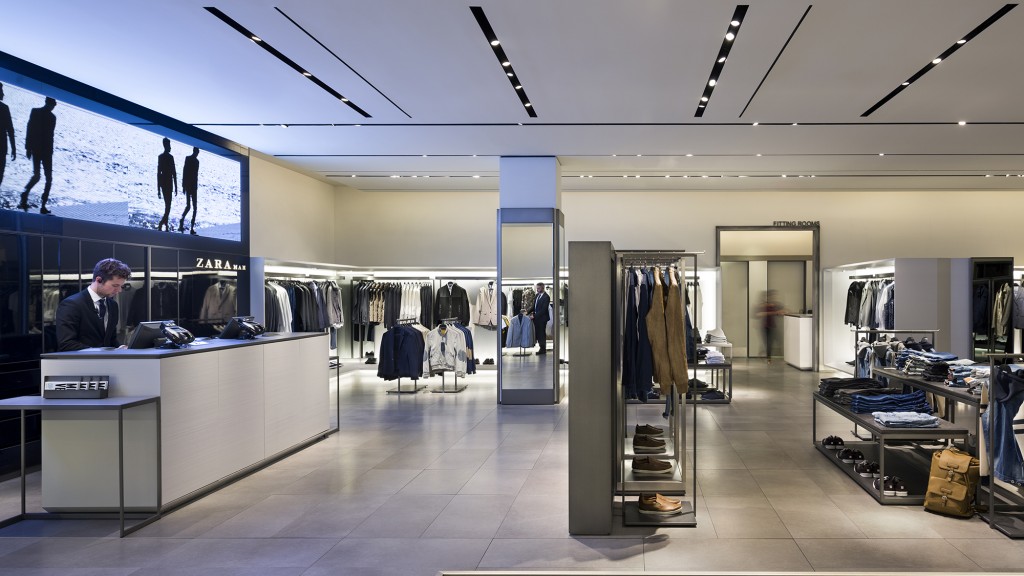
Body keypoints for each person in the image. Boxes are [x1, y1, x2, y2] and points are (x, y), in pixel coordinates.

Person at [55, 258, 131, 351]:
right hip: (80, 360)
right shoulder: (71, 304)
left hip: (106, 360)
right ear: (99, 280)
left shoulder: (113, 305)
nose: (119, 290)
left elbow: (111, 340)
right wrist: (102, 352)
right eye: (115, 286)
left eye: (121, 286)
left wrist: (120, 348)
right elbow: (66, 344)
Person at [19, 96, 56, 214]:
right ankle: (41, 204)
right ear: (50, 104)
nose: (53, 107)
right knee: (46, 178)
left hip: (39, 150)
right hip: (43, 150)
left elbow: (30, 129)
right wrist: (28, 147)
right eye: (53, 104)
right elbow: (31, 129)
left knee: (39, 176)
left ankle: (26, 195)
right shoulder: (49, 116)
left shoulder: (37, 112)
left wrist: (28, 147)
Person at [756, 290, 786, 363]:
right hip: (765, 327)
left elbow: (782, 311)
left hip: (773, 326)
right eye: (772, 296)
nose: (774, 297)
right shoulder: (763, 305)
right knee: (768, 343)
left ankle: (766, 355)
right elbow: (759, 314)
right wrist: (774, 312)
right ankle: (768, 358)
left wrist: (781, 312)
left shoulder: (776, 305)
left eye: (774, 296)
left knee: (776, 341)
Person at [156, 137, 177, 231]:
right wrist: (158, 189)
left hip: (165, 183)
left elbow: (159, 173)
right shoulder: (168, 157)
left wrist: (159, 189)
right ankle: (162, 223)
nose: (170, 147)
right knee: (168, 206)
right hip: (167, 183)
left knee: (167, 205)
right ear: (166, 145)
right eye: (169, 145)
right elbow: (173, 173)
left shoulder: (161, 157)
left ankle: (165, 223)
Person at [179, 146, 199, 234]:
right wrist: (183, 186)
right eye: (197, 152)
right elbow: (185, 172)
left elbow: (195, 174)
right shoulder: (189, 159)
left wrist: (185, 186)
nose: (197, 154)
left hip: (192, 186)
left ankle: (191, 227)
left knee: (193, 207)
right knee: (190, 207)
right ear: (194, 151)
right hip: (189, 186)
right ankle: (182, 223)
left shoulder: (196, 161)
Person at [0, 83, 15, 195]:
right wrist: (14, 148)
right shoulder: (4, 108)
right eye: (1, 91)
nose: (3, 94)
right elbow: (10, 130)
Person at [531, 282, 551, 355]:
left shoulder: (546, 297)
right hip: (536, 318)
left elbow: (543, 310)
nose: (537, 289)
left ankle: (543, 349)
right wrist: (527, 312)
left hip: (542, 319)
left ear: (543, 288)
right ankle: (541, 347)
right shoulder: (537, 295)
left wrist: (534, 316)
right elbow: (534, 307)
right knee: (538, 333)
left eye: (538, 288)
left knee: (541, 334)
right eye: (537, 288)